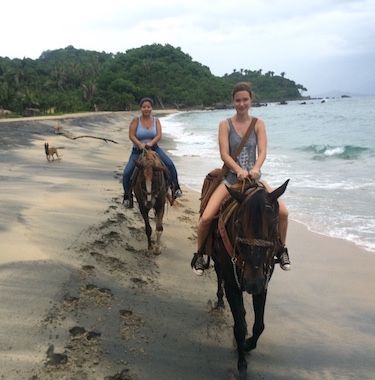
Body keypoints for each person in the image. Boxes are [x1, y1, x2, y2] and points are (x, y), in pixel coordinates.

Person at [192, 82, 291, 275]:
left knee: (284, 213)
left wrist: (255, 168)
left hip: (255, 180)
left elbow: (262, 151)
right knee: (205, 218)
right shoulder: (225, 125)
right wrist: (238, 169)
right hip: (230, 180)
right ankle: (200, 254)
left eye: (245, 99)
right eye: (238, 100)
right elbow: (224, 154)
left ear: (250, 100)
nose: (242, 104)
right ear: (233, 102)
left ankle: (282, 249)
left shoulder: (258, 124)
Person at [122, 97, 182, 208]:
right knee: (126, 173)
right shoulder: (136, 121)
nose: (146, 109)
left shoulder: (156, 121)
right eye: (144, 107)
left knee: (169, 164)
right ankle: (127, 197)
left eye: (148, 107)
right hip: (138, 151)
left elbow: (159, 135)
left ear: (151, 108)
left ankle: (176, 188)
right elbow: (131, 135)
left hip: (154, 149)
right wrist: (139, 144)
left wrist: (151, 143)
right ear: (141, 108)